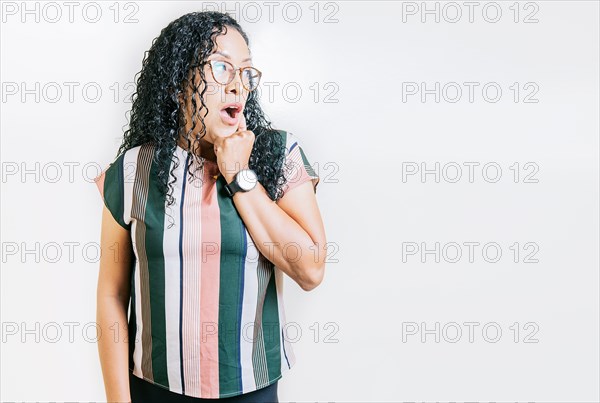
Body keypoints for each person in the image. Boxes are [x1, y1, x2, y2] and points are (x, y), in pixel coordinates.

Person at [94, 11, 327, 403]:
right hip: (154, 389)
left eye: (246, 73)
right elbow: (111, 296)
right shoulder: (135, 170)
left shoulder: (277, 154)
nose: (238, 85)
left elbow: (311, 269)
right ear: (179, 80)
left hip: (251, 389)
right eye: (222, 68)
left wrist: (239, 177)